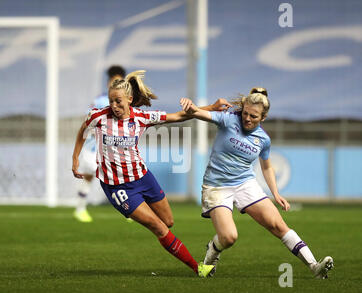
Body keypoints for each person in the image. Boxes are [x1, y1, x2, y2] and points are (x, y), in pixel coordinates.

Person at [72, 70, 229, 277]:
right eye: (111, 101)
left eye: (118, 101)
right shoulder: (99, 116)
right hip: (117, 187)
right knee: (158, 226)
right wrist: (75, 158)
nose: (114, 106)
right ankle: (198, 268)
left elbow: (179, 116)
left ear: (129, 99)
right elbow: (83, 130)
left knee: (168, 222)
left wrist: (212, 108)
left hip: (143, 178)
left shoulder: (141, 117)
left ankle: (162, 232)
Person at [179, 88, 334, 279]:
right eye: (245, 113)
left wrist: (275, 193)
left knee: (278, 225)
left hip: (245, 183)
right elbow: (197, 113)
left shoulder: (263, 139)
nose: (247, 118)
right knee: (228, 237)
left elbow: (267, 167)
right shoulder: (228, 119)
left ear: (263, 117)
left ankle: (314, 267)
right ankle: (212, 250)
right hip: (217, 186)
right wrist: (191, 106)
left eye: (253, 116)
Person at [74, 65, 126, 223]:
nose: (114, 84)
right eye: (112, 81)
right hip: (94, 147)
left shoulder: (126, 102)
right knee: (89, 176)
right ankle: (80, 209)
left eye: (118, 81)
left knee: (121, 178)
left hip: (113, 148)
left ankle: (129, 209)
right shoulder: (100, 101)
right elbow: (88, 122)